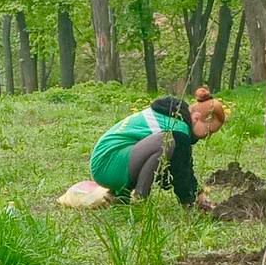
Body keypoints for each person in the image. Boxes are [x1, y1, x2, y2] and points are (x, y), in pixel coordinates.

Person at [89, 87, 227, 206]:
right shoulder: (178, 129)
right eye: (208, 131)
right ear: (196, 117)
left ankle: (119, 195)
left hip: (108, 164)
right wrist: (189, 202)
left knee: (167, 143)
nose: (207, 137)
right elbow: (181, 172)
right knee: (166, 140)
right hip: (109, 164)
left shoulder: (170, 116)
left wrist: (198, 194)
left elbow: (184, 165)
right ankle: (140, 198)